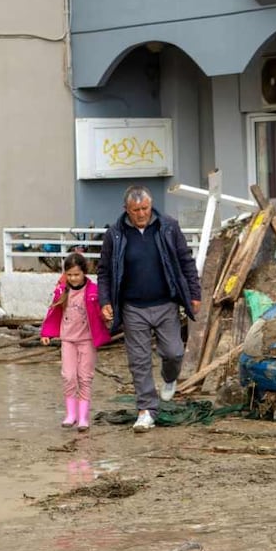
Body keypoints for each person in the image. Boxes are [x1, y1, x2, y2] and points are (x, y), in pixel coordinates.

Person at [98, 185, 202, 432]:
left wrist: (194, 293)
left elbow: (185, 261)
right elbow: (104, 272)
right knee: (139, 361)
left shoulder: (168, 227)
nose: (142, 214)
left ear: (151, 205)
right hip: (133, 307)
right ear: (127, 210)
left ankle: (169, 377)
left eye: (145, 208)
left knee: (174, 352)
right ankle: (146, 410)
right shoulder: (115, 235)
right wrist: (105, 301)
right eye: (136, 210)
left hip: (166, 303)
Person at [40, 252, 113, 431]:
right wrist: (47, 332)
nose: (73, 278)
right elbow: (53, 312)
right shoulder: (61, 291)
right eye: (69, 274)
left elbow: (103, 312)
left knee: (85, 377)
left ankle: (83, 417)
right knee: (68, 376)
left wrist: (107, 317)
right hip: (68, 340)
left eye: (76, 274)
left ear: (84, 273)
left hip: (87, 340)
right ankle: (71, 414)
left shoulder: (94, 291)